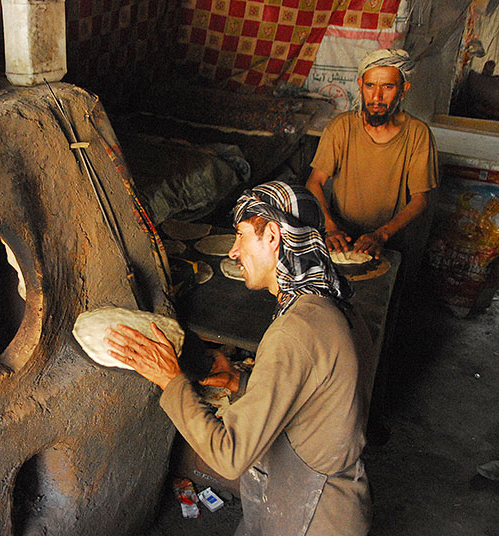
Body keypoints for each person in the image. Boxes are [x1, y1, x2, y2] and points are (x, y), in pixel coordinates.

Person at [106, 182, 377, 536]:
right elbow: (318, 402)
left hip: (310, 518)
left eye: (241, 236)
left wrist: (169, 380)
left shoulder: (295, 332)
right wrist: (239, 382)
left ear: (273, 237)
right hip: (320, 499)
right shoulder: (331, 306)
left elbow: (229, 456)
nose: (233, 252)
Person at [306, 49, 438, 280]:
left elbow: (420, 199)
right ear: (360, 85)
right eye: (370, 86)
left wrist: (382, 235)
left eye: (387, 87)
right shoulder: (342, 127)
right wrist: (330, 226)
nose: (376, 97)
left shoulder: (418, 134)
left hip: (392, 241)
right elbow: (315, 182)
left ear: (403, 90)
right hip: (342, 238)